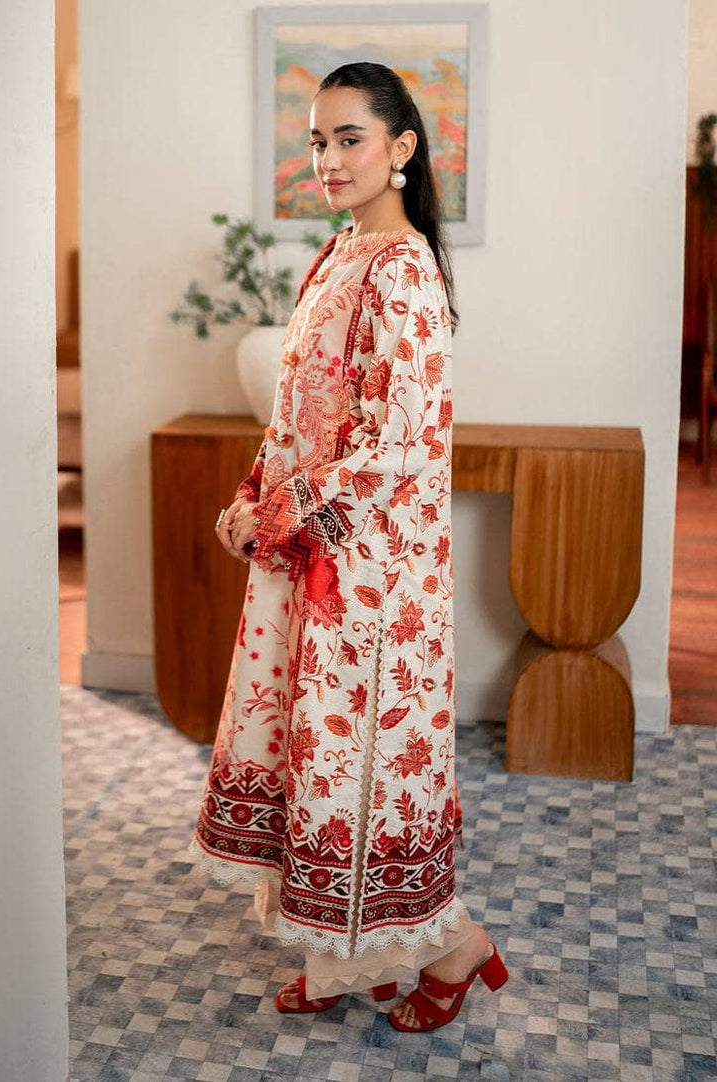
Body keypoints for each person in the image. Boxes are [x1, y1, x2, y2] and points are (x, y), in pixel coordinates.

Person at [187, 61, 508, 1032]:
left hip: (370, 577)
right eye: (317, 140)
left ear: (401, 147)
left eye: (348, 138)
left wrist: (281, 515)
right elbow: (300, 412)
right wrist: (251, 495)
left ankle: (454, 946)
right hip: (313, 557)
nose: (326, 158)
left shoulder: (402, 270)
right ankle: (344, 961)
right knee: (316, 760)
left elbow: (396, 439)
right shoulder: (338, 252)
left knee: (362, 767)